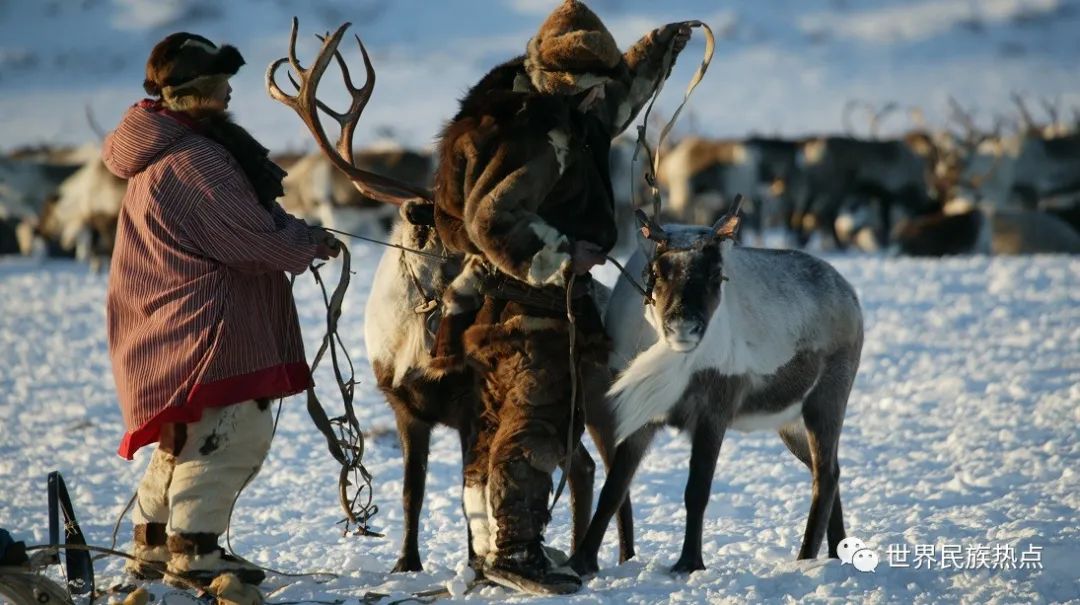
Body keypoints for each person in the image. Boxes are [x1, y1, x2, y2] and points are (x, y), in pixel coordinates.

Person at [431, 0, 692, 595]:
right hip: (529, 302)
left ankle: (488, 547)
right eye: (594, 88)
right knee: (538, 421)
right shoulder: (538, 135)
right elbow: (494, 219)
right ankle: (516, 552)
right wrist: (560, 256)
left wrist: (655, 52)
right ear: (568, 83)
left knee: (496, 424)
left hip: (499, 298)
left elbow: (617, 101)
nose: (604, 100)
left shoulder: (550, 107)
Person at [101, 32, 339, 587]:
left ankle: (154, 545)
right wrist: (306, 244)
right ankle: (196, 551)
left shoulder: (163, 153)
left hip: (163, 328)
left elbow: (244, 226)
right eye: (221, 82)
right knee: (230, 434)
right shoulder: (195, 161)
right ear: (200, 91)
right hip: (209, 331)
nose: (230, 92)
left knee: (181, 439)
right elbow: (250, 239)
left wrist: (299, 234)